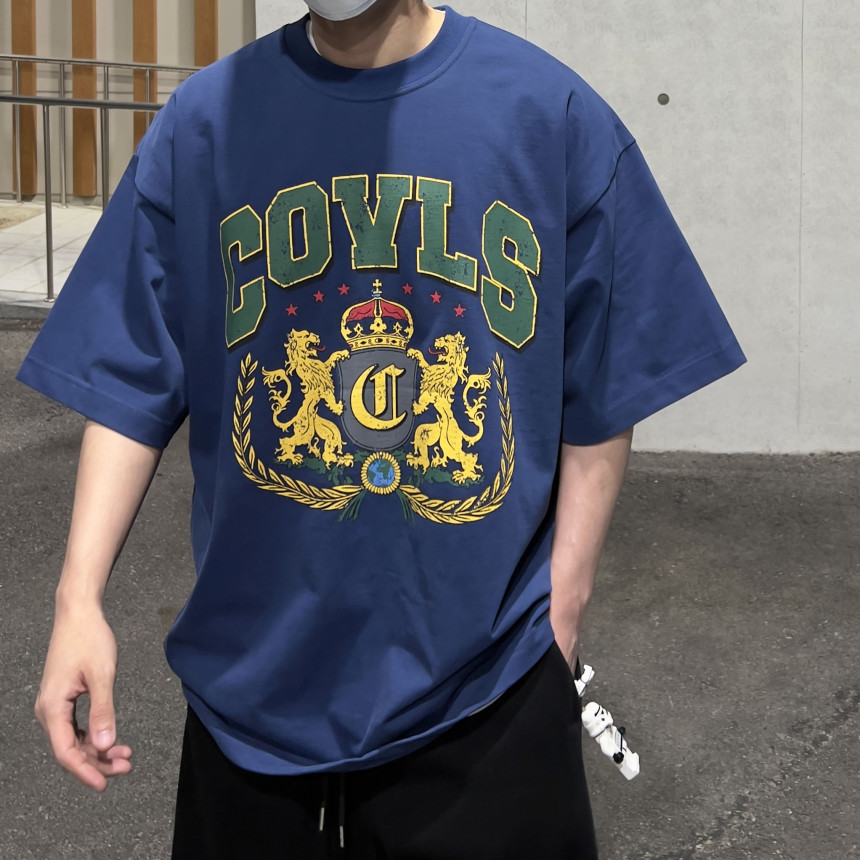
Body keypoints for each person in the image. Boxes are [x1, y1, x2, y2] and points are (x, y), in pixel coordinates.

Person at [17, 1, 745, 857]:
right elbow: (128, 379)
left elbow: (603, 382)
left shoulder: (547, 114)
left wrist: (565, 602)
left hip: (482, 682)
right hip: (253, 678)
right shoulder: (203, 124)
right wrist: (77, 600)